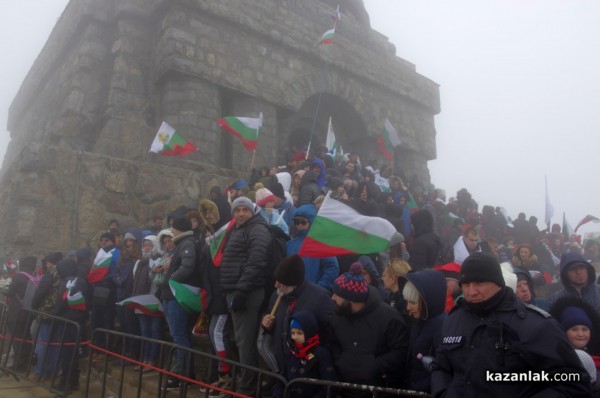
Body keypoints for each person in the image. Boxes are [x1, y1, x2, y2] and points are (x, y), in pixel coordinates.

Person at [432, 252, 591, 397]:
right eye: (466, 285)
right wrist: (443, 393)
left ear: (498, 283)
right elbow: (441, 367)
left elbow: (573, 382)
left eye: (479, 283)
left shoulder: (535, 325)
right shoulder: (454, 319)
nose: (471, 292)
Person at [329, 263, 409, 394]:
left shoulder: (389, 317)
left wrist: (376, 366)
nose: (332, 298)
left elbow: (401, 350)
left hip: (378, 390)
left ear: (351, 298)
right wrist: (341, 361)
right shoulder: (338, 315)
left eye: (337, 294)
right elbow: (331, 343)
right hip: (346, 389)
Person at [220, 196, 272, 395]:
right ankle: (245, 381)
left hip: (248, 292)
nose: (241, 213)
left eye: (245, 210)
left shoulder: (257, 228)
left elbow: (256, 261)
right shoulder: (238, 229)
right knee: (240, 339)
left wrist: (242, 290)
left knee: (245, 341)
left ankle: (247, 387)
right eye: (237, 210)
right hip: (236, 290)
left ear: (252, 212)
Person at [260, 255, 334, 376]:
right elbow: (271, 322)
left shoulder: (320, 298)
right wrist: (266, 325)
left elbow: (330, 334)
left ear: (293, 283)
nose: (276, 285)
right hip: (282, 369)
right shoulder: (277, 296)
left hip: (306, 371)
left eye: (281, 282)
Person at [159, 217, 203, 390]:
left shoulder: (187, 243)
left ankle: (182, 375)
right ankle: (186, 373)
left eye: (173, 228)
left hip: (176, 297)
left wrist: (170, 281)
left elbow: (187, 267)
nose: (171, 231)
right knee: (181, 335)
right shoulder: (184, 243)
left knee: (179, 336)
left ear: (180, 229)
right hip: (173, 297)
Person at [272, 311, 337, 398]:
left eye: (299, 333)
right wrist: (278, 393)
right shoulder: (291, 352)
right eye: (292, 333)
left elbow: (330, 386)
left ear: (308, 332)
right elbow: (282, 379)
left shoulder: (321, 354)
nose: (295, 337)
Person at [401, 269, 447, 393]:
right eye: (407, 301)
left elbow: (444, 369)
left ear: (427, 300)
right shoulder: (420, 321)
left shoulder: (442, 326)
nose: (408, 307)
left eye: (413, 302)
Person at [286, 205, 339, 292]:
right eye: (296, 222)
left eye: (302, 222)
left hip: (313, 294)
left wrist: (318, 288)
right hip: (292, 293)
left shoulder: (322, 244)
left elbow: (332, 268)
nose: (299, 225)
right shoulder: (290, 244)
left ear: (312, 222)